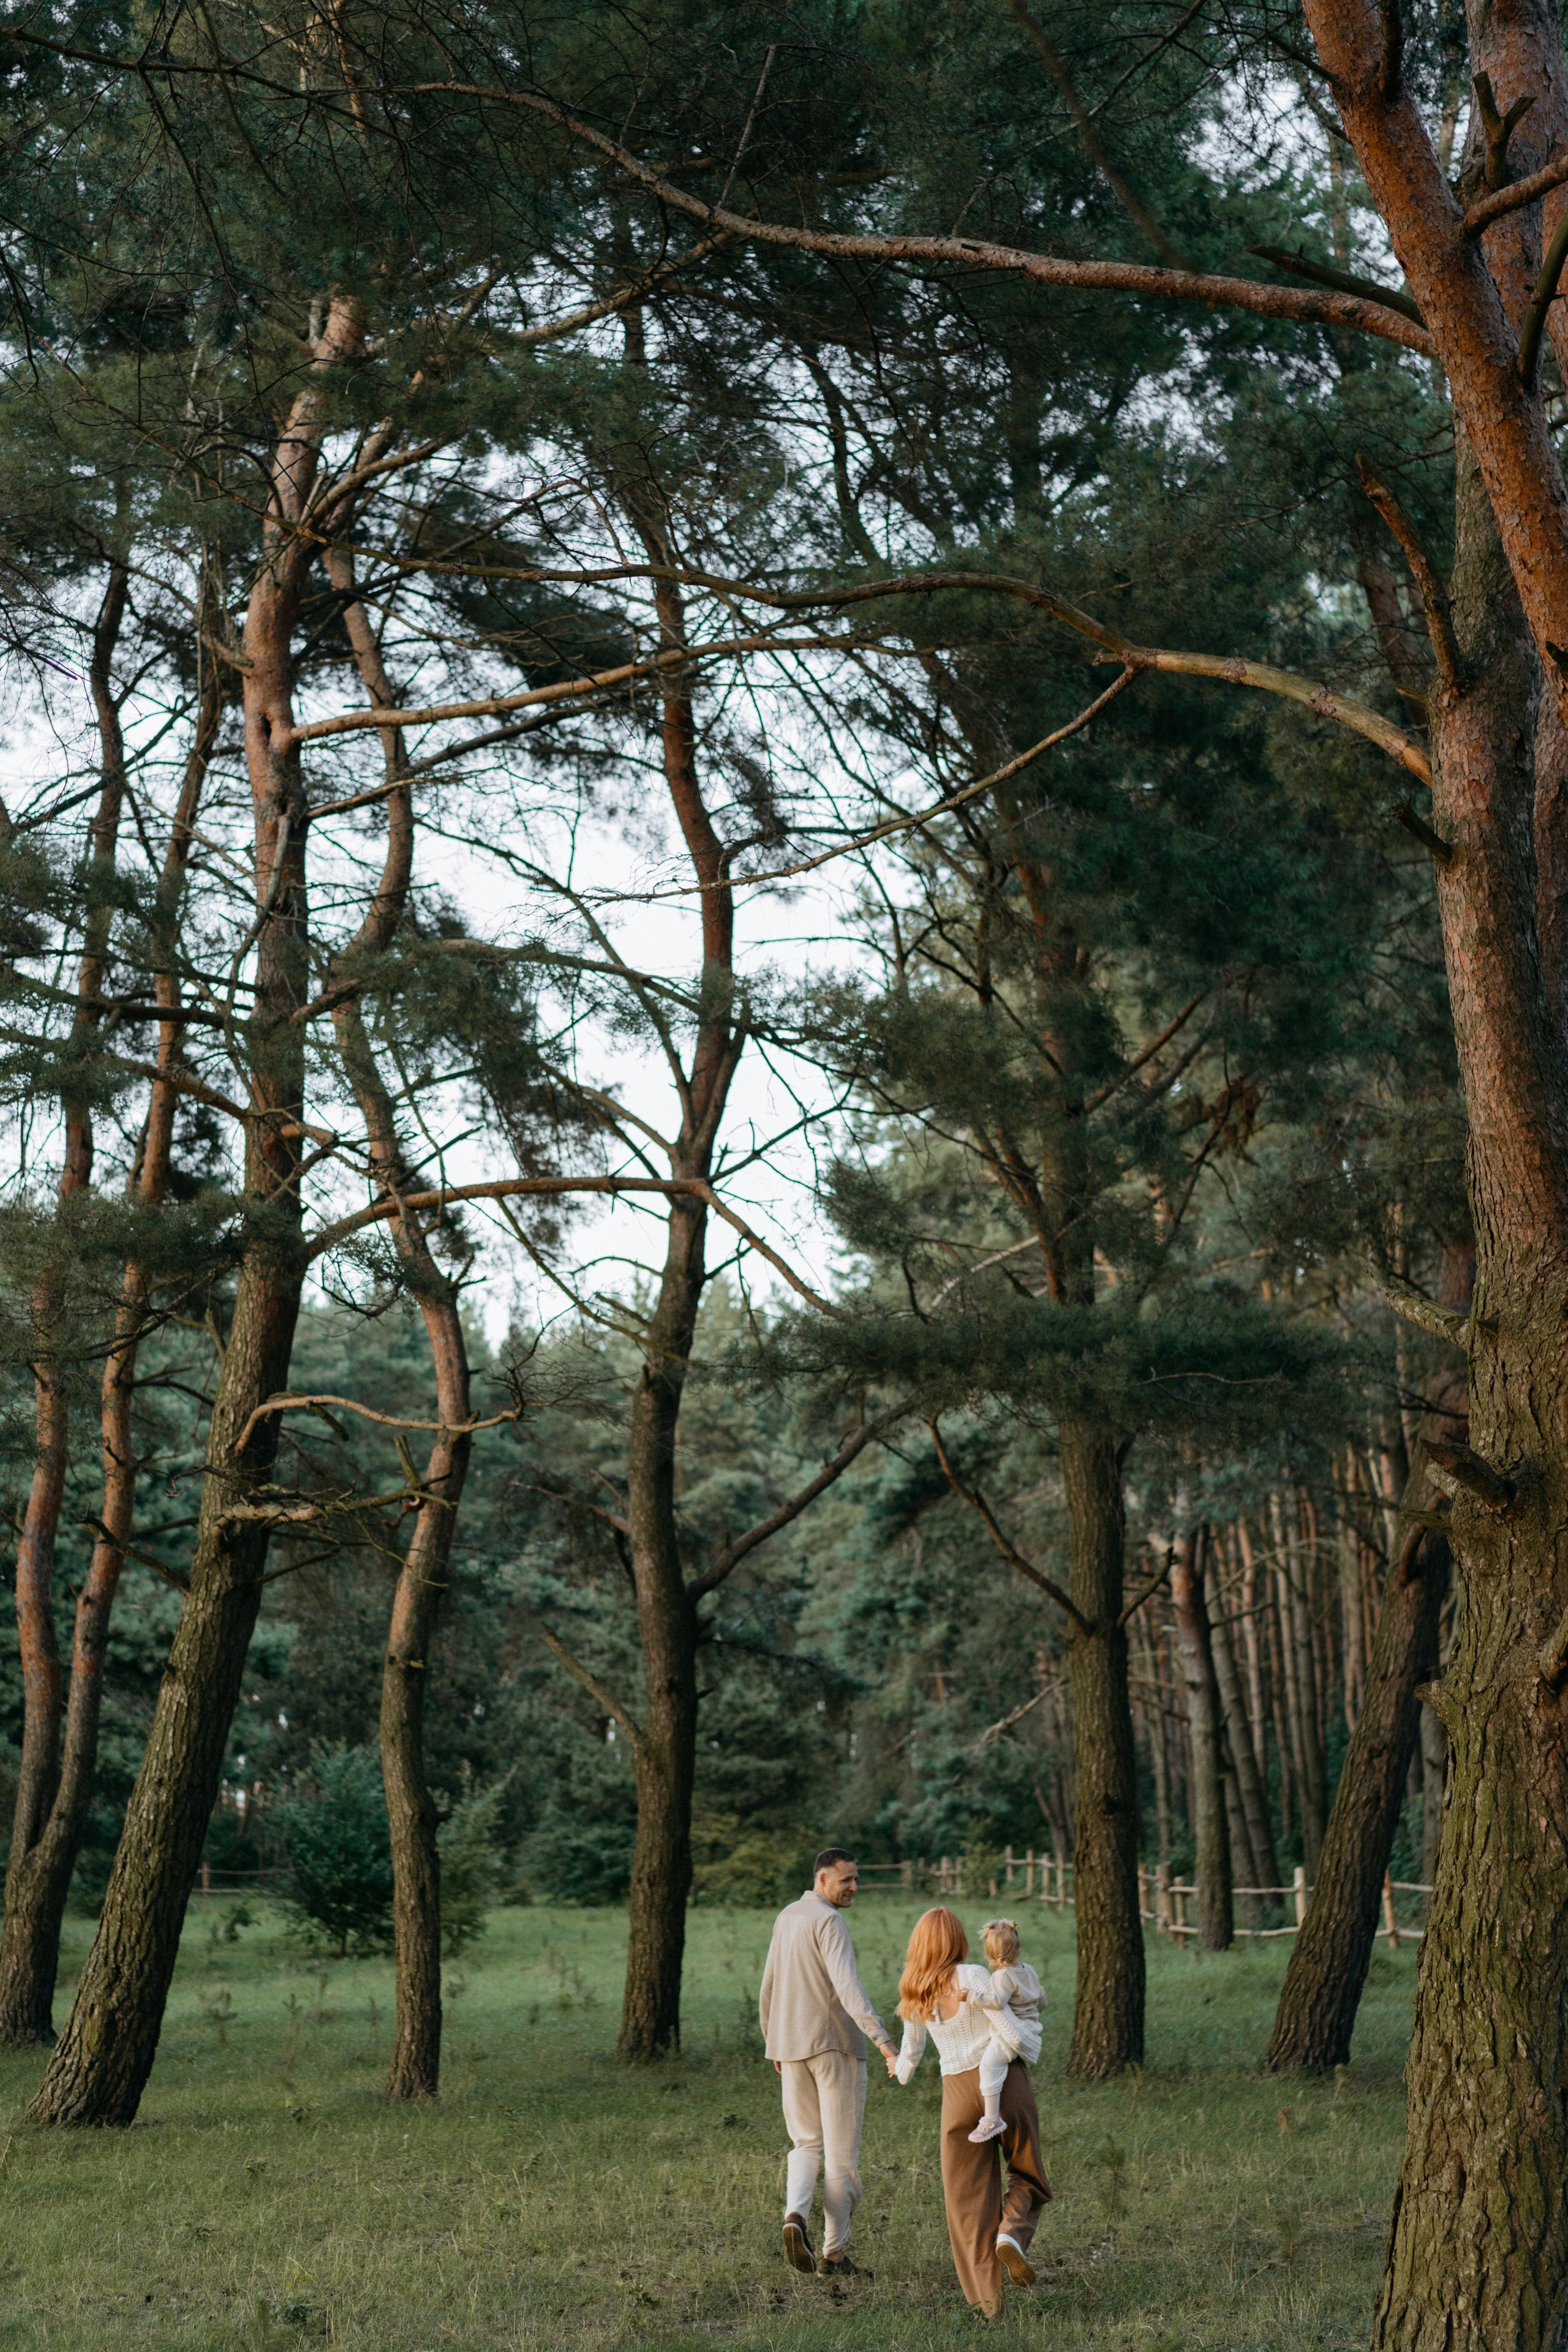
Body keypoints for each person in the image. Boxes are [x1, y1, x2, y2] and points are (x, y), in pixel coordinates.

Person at [891, 1907, 1051, 2320]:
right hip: (1004, 2081)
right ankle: (1011, 2236)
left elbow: (909, 2061)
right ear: (959, 1940)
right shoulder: (975, 1974)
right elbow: (1002, 2019)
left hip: (957, 2096)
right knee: (1027, 2170)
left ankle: (988, 2303)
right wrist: (1025, 2045)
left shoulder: (914, 1990)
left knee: (967, 2201)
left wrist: (897, 2067)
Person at [758, 1847, 899, 2279]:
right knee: (841, 2162)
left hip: (791, 2046)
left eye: (856, 1878)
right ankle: (833, 2257)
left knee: (806, 2144)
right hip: (835, 2046)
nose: (854, 1886)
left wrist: (774, 2041)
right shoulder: (830, 1921)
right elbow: (848, 1987)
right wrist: (885, 2042)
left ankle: (794, 2216)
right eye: (846, 1880)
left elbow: (769, 1986)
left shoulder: (787, 1916)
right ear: (822, 1880)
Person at [965, 1917, 1044, 2146]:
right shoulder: (1029, 1970)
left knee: (989, 2064)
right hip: (1031, 2026)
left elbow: (997, 2002)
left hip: (1013, 2033)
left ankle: (991, 2118)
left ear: (990, 1954)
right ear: (1017, 1948)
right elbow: (1042, 1999)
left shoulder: (1002, 1976)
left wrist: (970, 1996)